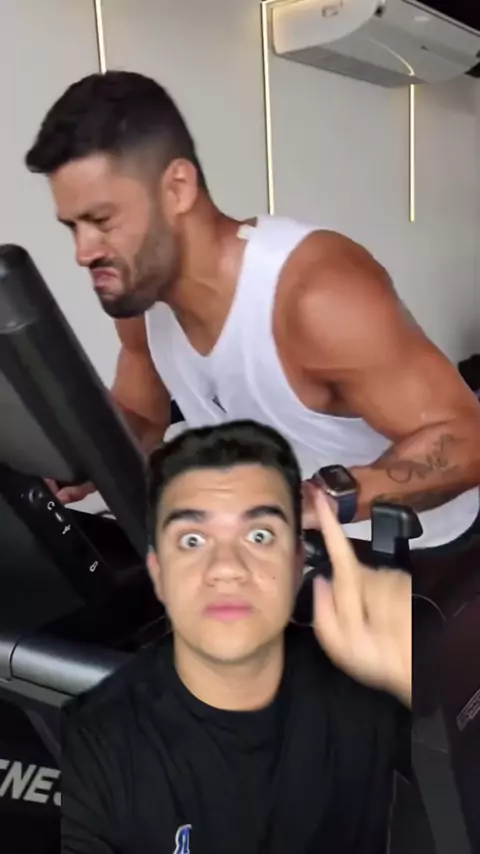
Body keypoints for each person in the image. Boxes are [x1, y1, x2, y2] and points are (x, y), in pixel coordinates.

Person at [26, 71, 480, 553]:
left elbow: (465, 438)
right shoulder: (142, 297)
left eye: (102, 221)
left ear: (176, 188)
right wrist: (79, 460)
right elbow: (140, 417)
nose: (83, 252)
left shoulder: (314, 292)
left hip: (420, 546)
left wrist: (313, 500)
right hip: (288, 543)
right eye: (73, 227)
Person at [61, 420, 411, 854]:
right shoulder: (98, 746)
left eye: (259, 536)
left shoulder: (367, 681)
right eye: (192, 540)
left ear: (297, 561)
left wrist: (413, 682)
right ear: (158, 571)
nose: (227, 567)